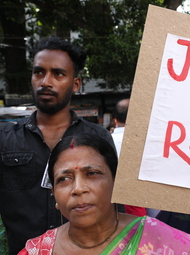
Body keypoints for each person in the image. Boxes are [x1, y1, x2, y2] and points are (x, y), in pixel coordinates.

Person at [18, 134, 190, 255]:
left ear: (117, 184)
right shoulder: (37, 251)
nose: (78, 188)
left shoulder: (166, 243)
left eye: (92, 173)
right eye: (64, 179)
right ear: (54, 197)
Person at [0, 36, 115, 255]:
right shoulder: (4, 139)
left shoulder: (99, 139)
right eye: (38, 72)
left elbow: (115, 207)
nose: (45, 81)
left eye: (58, 74)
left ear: (76, 84)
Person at [111, 99, 146, 217]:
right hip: (141, 202)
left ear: (115, 120)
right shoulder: (145, 143)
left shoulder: (107, 141)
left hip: (113, 203)